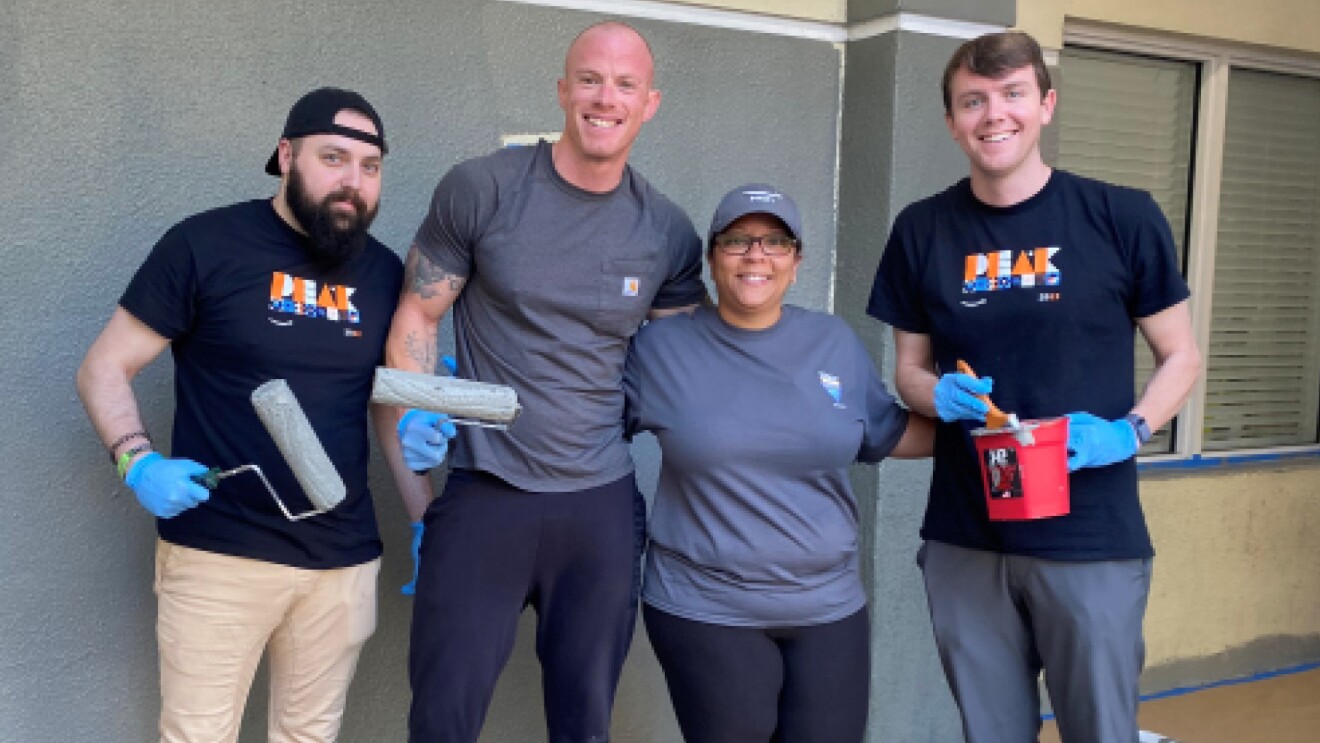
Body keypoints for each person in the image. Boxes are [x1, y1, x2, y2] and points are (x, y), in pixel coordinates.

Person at [866, 31, 1202, 743]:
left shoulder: (1121, 217)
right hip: (967, 538)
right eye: (973, 101)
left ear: (1045, 103)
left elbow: (1182, 356)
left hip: (1092, 537)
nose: (995, 114)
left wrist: (1129, 431)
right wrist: (936, 396)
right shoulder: (923, 230)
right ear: (952, 120)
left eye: (1013, 94)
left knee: (1101, 732)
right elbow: (909, 369)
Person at [384, 21, 706, 743]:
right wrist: (416, 410)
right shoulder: (484, 188)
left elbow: (684, 362)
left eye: (625, 84)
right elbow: (419, 308)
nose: (605, 97)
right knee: (441, 719)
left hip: (598, 506)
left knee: (584, 725)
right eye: (590, 79)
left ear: (649, 103)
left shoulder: (666, 232)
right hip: (483, 496)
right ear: (563, 91)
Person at [75, 87, 412, 743]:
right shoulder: (204, 244)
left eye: (370, 167)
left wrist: (426, 511)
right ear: (286, 154)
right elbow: (103, 367)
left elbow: (390, 405)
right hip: (219, 556)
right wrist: (136, 460)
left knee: (310, 734)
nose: (353, 181)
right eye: (334, 157)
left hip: (341, 562)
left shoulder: (383, 271)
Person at [622, 184, 935, 743]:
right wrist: (473, 422)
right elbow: (584, 428)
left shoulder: (832, 342)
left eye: (774, 241)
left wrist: (994, 428)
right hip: (707, 606)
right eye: (737, 240)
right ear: (712, 260)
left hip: (829, 607)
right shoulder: (661, 350)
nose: (756, 255)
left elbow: (887, 432)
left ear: (796, 261)